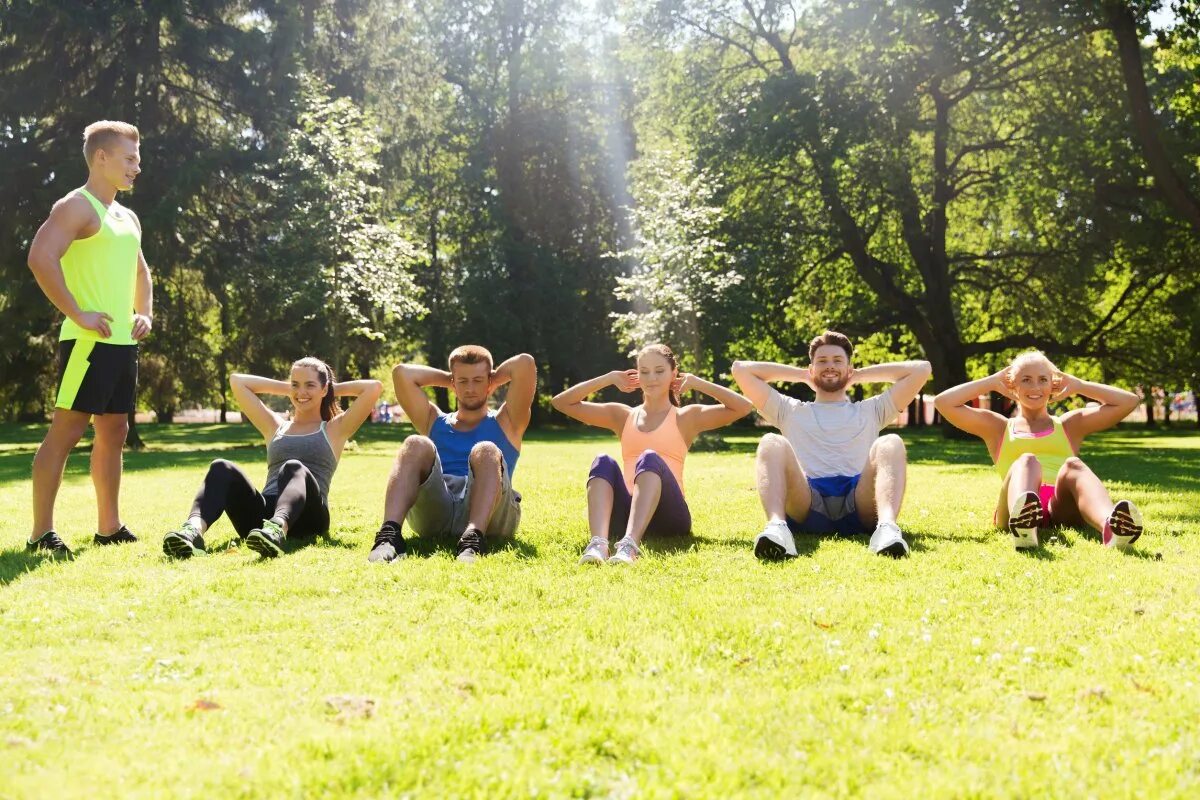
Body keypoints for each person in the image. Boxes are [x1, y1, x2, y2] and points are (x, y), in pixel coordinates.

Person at [25, 121, 153, 557]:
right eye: (130, 158)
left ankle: (109, 526)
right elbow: (41, 257)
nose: (137, 166)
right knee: (67, 431)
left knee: (115, 430)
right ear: (102, 157)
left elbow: (140, 272)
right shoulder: (76, 207)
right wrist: (76, 312)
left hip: (121, 343)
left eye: (137, 158)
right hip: (86, 342)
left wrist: (145, 314)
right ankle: (42, 532)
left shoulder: (126, 215)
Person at [732, 331, 931, 559]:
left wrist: (857, 375)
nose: (830, 366)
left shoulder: (872, 410)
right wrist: (802, 375)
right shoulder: (788, 409)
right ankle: (777, 529)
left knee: (891, 442)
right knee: (771, 442)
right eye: (822, 362)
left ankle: (886, 529)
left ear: (849, 368)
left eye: (838, 361)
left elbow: (922, 369)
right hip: (806, 501)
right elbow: (741, 370)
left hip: (859, 501)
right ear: (811, 368)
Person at [551, 344, 753, 565]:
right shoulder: (622, 416)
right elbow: (561, 403)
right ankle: (598, 544)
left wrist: (696, 382)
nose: (651, 378)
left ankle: (629, 546)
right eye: (644, 371)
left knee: (649, 457)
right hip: (627, 515)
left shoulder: (686, 417)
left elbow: (743, 407)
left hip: (670, 519)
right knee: (602, 461)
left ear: (673, 373)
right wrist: (608, 378)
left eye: (659, 371)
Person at [162, 358, 381, 559]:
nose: (301, 392)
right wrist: (294, 388)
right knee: (221, 467)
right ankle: (192, 532)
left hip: (309, 516)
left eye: (310, 385)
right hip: (262, 517)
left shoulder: (335, 428)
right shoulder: (275, 426)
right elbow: (237, 382)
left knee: (293, 467)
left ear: (325, 389)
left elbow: (373, 388)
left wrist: (329, 388)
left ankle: (278, 530)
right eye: (295, 384)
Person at [933, 351, 1143, 550]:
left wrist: (1080, 385)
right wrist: (990, 382)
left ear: (1053, 385)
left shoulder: (1069, 425)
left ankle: (1112, 528)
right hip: (1012, 505)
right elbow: (943, 403)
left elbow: (1128, 402)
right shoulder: (998, 428)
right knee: (1027, 460)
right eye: (1026, 379)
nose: (1035, 387)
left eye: (1043, 379)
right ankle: (1023, 526)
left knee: (1074, 465)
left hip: (1060, 506)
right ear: (1012, 386)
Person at [368, 347, 536, 564]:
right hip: (439, 508)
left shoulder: (508, 421)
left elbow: (524, 363)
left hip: (492, 515)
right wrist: (449, 378)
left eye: (478, 380)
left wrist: (493, 379)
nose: (471, 388)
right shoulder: (433, 421)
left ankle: (474, 539)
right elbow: (401, 373)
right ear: (453, 384)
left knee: (485, 449)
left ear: (489, 382)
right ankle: (389, 536)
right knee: (415, 443)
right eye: (463, 381)